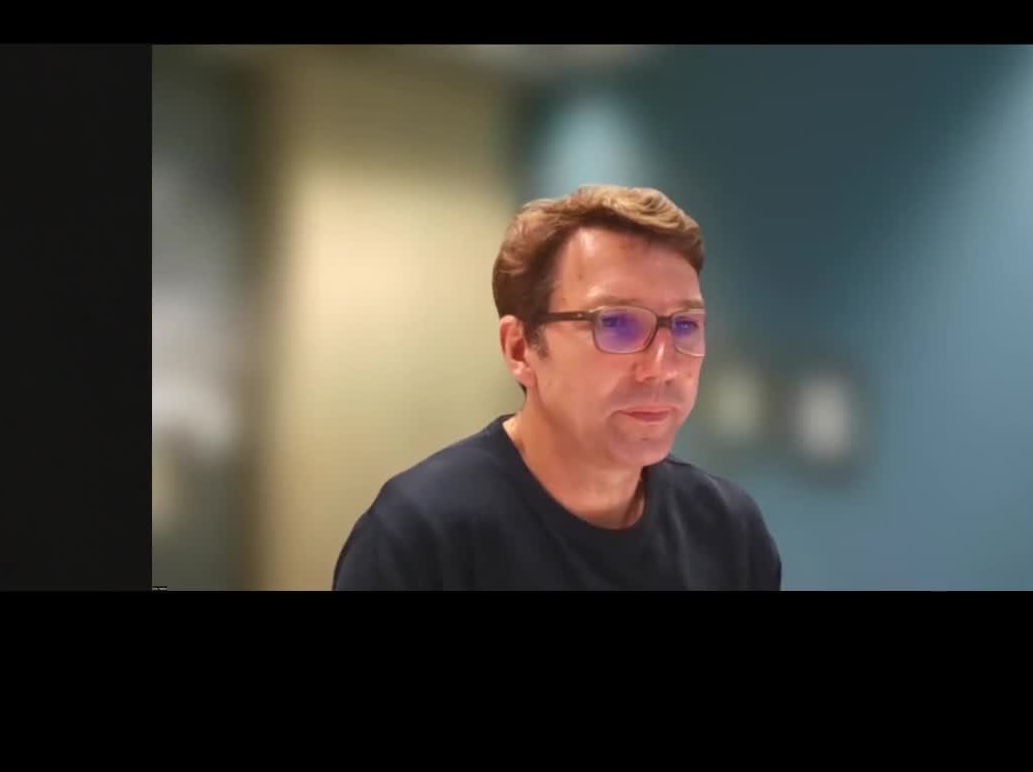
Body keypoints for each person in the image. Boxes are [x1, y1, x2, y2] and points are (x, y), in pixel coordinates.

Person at [333, 184, 780, 590]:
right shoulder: (420, 536)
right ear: (520, 349)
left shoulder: (729, 532)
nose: (661, 367)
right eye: (617, 324)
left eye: (685, 325)